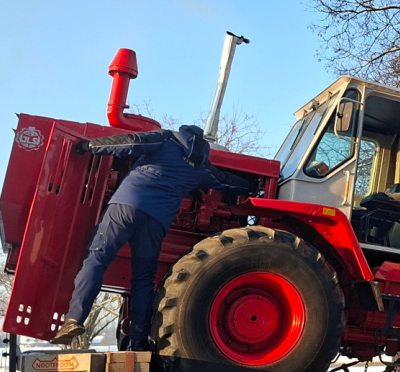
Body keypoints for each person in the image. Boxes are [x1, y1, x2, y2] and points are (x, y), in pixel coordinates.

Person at [52, 125, 252, 350]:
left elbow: (131, 142)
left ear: (181, 133)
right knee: (144, 279)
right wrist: (253, 187)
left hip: (125, 206)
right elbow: (227, 181)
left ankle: (74, 320)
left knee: (97, 260)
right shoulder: (201, 166)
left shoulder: (165, 140)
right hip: (156, 221)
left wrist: (90, 146)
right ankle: (138, 340)